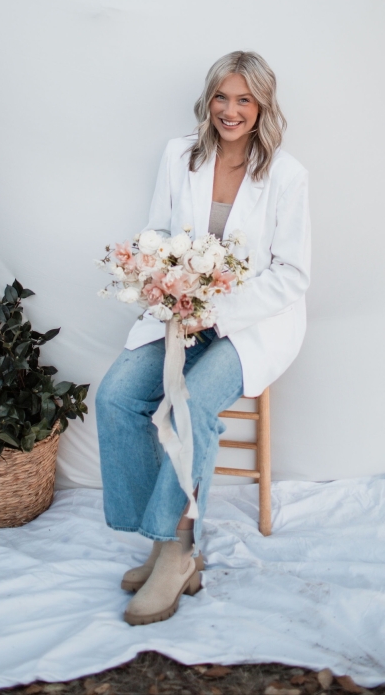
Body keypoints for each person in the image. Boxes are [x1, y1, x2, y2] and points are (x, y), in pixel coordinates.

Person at [95, 50, 311, 626]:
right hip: (178, 311)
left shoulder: (286, 175)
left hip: (252, 326)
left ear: (262, 104)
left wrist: (215, 311)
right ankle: (163, 540)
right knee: (115, 397)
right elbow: (158, 232)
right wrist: (164, 282)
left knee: (190, 406)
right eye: (222, 97)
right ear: (208, 100)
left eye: (244, 99)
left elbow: (293, 274)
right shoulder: (179, 156)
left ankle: (180, 550)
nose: (231, 110)